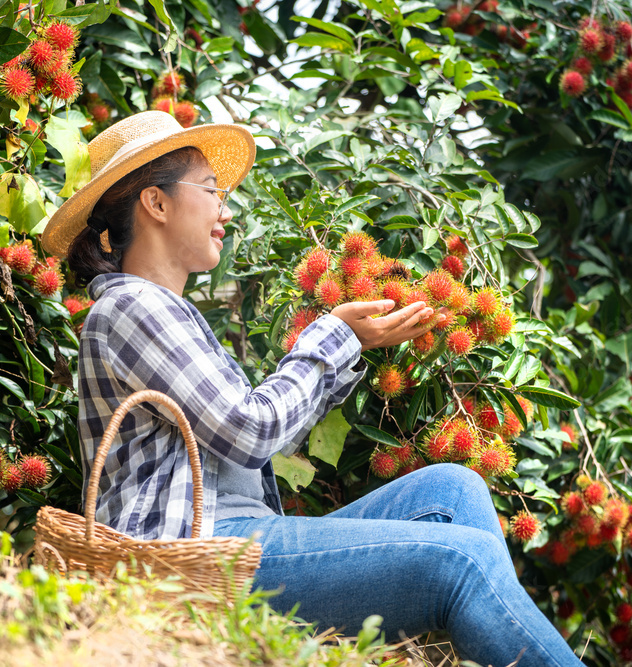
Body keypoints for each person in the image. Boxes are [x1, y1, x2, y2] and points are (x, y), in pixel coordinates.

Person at [42, 111, 585, 667]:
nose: (224, 209)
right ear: (155, 203)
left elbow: (258, 435)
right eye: (211, 189)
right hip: (194, 557)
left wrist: (353, 345)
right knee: (461, 563)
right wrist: (334, 334)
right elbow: (251, 431)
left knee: (454, 488)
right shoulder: (131, 306)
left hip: (243, 539)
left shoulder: (167, 311)